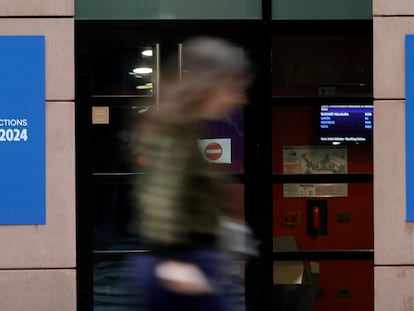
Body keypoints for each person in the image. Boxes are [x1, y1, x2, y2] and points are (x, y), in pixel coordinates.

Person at [126, 36, 253, 311]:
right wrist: (173, 258)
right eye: (234, 87)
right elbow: (162, 191)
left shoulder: (186, 126)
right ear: (209, 84)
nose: (240, 98)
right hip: (182, 264)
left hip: (191, 260)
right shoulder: (175, 128)